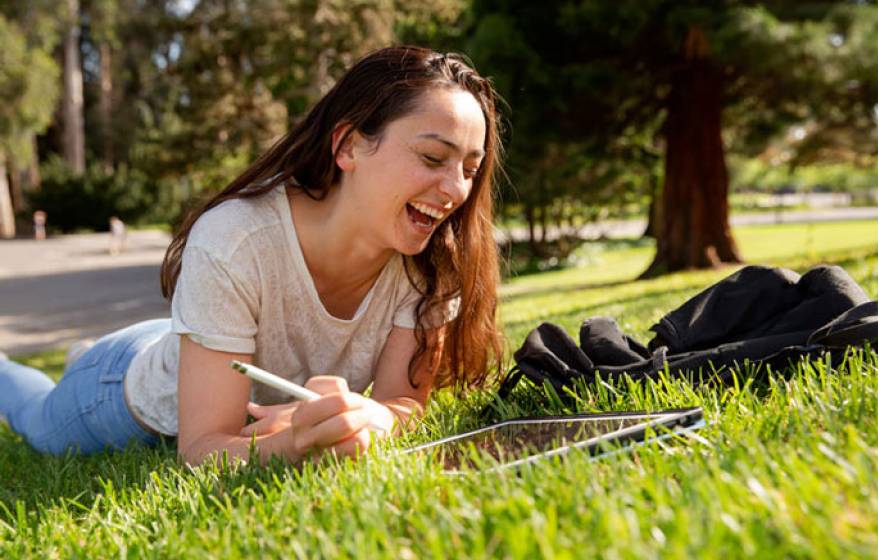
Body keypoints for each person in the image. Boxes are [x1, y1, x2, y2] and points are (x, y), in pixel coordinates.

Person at [0, 46, 505, 466]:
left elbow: (401, 405)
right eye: (433, 158)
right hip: (126, 390)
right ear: (348, 145)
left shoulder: (432, 264)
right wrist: (295, 442)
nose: (455, 189)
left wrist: (374, 418)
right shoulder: (235, 238)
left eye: (470, 168)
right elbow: (200, 450)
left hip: (204, 346)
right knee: (33, 414)